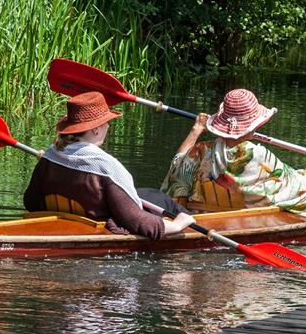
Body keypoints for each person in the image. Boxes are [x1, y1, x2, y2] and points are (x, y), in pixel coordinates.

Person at [24, 91, 195, 238]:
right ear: (95, 129)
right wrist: (177, 226)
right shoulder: (106, 166)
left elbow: (30, 202)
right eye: (106, 122)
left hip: (60, 225)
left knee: (151, 195)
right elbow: (134, 221)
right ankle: (192, 217)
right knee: (164, 202)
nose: (108, 126)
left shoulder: (50, 155)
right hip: (97, 228)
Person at [161, 88, 306, 219]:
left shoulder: (202, 150)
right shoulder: (258, 155)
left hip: (203, 218)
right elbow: (298, 187)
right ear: (254, 124)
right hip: (240, 218)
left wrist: (196, 130)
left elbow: (176, 167)